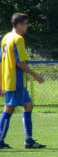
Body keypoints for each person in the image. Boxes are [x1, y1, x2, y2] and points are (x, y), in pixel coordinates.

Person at [0, 13, 46, 149]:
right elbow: (21, 63)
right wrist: (36, 76)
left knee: (28, 105)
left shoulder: (6, 38)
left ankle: (29, 140)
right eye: (26, 24)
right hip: (16, 81)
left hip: (9, 80)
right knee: (9, 108)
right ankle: (0, 141)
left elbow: (1, 62)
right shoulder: (18, 39)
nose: (27, 26)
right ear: (18, 25)